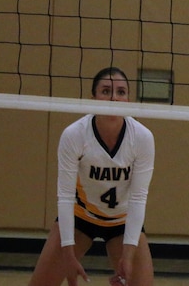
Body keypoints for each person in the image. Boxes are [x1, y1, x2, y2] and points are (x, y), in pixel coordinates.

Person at [28, 66, 155, 286]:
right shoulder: (74, 135)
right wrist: (68, 254)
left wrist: (128, 253)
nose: (114, 98)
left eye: (121, 92)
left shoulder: (142, 137)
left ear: (129, 99)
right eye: (106, 91)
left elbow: (138, 198)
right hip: (81, 217)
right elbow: (66, 196)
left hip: (122, 222)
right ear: (93, 98)